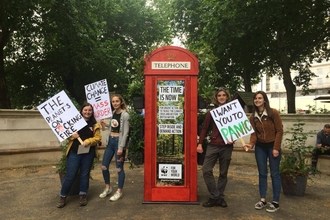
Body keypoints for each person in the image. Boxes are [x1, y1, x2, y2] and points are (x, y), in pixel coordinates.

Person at [243, 91, 283, 213]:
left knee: (275, 174)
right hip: (260, 148)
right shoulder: (253, 116)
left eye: (260, 98)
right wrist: (251, 144)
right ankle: (263, 200)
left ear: (264, 100)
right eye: (255, 98)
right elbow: (254, 134)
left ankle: (275, 202)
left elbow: (279, 131)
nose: (257, 100)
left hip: (272, 147)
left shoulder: (273, 113)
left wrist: (276, 148)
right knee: (262, 173)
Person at [57, 102, 102, 208]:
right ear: (81, 111)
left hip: (88, 153)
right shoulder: (74, 123)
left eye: (89, 110)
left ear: (92, 112)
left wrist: (88, 141)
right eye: (85, 110)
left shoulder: (95, 125)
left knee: (84, 175)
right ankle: (63, 196)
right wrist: (72, 136)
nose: (87, 112)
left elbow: (98, 138)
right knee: (70, 175)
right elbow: (64, 134)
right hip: (74, 152)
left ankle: (83, 195)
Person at [197, 87, 234, 208]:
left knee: (223, 173)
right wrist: (200, 143)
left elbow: (237, 128)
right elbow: (204, 128)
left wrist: (234, 137)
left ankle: (217, 197)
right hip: (213, 145)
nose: (222, 97)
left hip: (227, 146)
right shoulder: (211, 113)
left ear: (227, 97)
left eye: (224, 95)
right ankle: (216, 196)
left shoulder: (232, 112)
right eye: (219, 95)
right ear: (216, 98)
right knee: (206, 170)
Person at [99, 94, 130, 201]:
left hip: (118, 143)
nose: (115, 103)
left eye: (117, 101)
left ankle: (119, 191)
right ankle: (108, 187)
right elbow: (113, 126)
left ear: (121, 102)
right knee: (104, 166)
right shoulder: (113, 114)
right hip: (110, 142)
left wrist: (121, 147)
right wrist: (104, 124)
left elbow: (125, 132)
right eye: (113, 101)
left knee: (119, 168)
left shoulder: (125, 115)